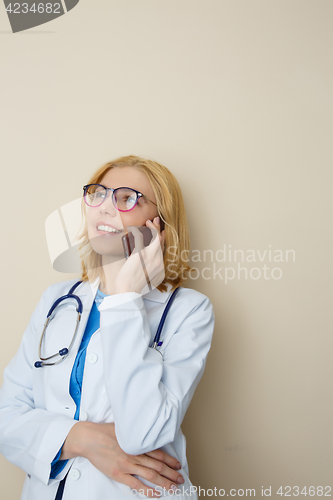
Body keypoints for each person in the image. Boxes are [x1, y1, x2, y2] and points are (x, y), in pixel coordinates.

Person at [0, 155, 215, 500]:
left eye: (127, 198)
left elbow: (144, 434)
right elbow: (7, 416)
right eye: (98, 194)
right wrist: (82, 440)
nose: (104, 208)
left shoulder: (189, 311)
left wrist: (125, 298)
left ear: (158, 223)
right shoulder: (56, 300)